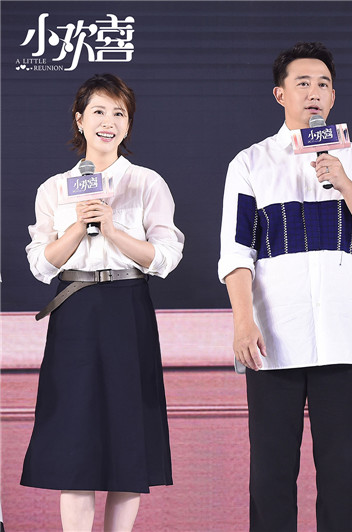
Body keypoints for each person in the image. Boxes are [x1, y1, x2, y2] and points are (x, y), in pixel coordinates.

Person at [218, 41, 352, 531]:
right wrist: (243, 323)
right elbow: (236, 253)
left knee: (342, 477)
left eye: (323, 84)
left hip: (341, 342)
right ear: (280, 94)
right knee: (271, 476)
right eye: (303, 83)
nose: (314, 92)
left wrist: (344, 182)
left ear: (334, 96)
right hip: (274, 341)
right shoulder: (250, 163)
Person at [22, 73, 184, 531]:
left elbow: (166, 257)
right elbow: (40, 264)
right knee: (75, 440)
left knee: (127, 439)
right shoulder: (54, 189)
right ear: (80, 120)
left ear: (128, 125)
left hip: (127, 308)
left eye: (119, 113)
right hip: (74, 312)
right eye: (98, 111)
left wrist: (113, 230)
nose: (108, 122)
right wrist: (79, 227)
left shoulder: (147, 182)